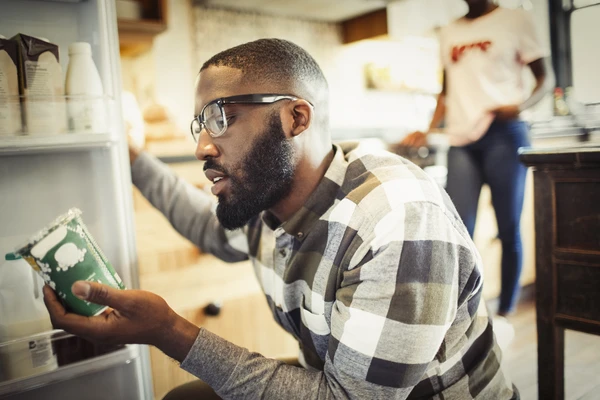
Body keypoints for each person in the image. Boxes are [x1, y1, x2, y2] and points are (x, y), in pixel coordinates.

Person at [43, 38, 518, 399]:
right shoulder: (267, 201)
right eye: (201, 125)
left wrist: (169, 332)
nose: (202, 147)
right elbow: (207, 226)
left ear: (297, 118)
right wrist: (132, 157)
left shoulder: (395, 218)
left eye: (220, 117)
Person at [400, 0, 553, 317]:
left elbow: (546, 79)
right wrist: (429, 129)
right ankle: (464, 315)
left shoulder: (516, 20)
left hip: (505, 133)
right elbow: (447, 91)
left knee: (508, 227)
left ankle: (505, 312)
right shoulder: (450, 31)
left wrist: (521, 107)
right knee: (459, 231)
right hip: (462, 138)